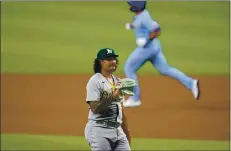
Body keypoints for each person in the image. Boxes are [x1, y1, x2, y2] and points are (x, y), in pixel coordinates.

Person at [123, 1, 200, 108]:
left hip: (147, 48)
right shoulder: (143, 14)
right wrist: (131, 26)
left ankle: (135, 99)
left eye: (132, 4)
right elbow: (143, 24)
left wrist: (146, 39)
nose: (130, 6)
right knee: (165, 69)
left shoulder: (143, 17)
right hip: (155, 47)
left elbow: (157, 30)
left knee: (129, 68)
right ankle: (191, 83)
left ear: (137, 7)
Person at [84, 48, 131, 151]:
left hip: (117, 130)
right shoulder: (95, 81)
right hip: (99, 130)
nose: (113, 61)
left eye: (114, 59)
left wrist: (127, 133)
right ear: (100, 62)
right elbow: (95, 108)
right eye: (109, 59)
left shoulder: (118, 81)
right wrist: (113, 97)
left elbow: (121, 110)